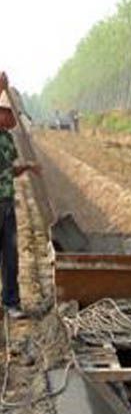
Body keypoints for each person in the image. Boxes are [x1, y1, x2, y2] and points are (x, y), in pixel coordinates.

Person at [0, 74, 40, 320]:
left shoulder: (7, 139)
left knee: (11, 256)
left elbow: (9, 170)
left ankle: (11, 302)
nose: (12, 119)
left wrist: (27, 167)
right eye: (9, 113)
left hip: (6, 203)